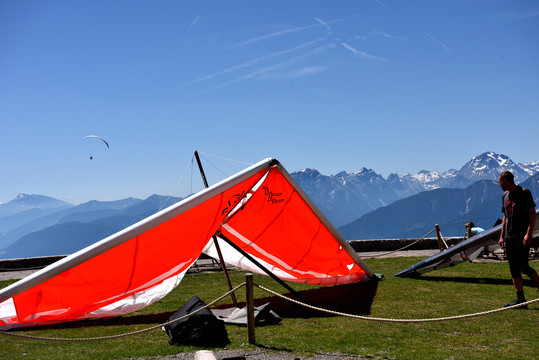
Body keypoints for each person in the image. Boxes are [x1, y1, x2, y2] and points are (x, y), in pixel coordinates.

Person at [497, 170, 539, 308]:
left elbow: (532, 213)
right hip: (509, 237)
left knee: (523, 266)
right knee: (513, 268)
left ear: (506, 181)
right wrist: (502, 236)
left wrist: (529, 234)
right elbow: (505, 217)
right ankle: (521, 300)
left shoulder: (524, 192)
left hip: (522, 237)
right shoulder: (505, 195)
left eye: (500, 182)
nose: (499, 185)